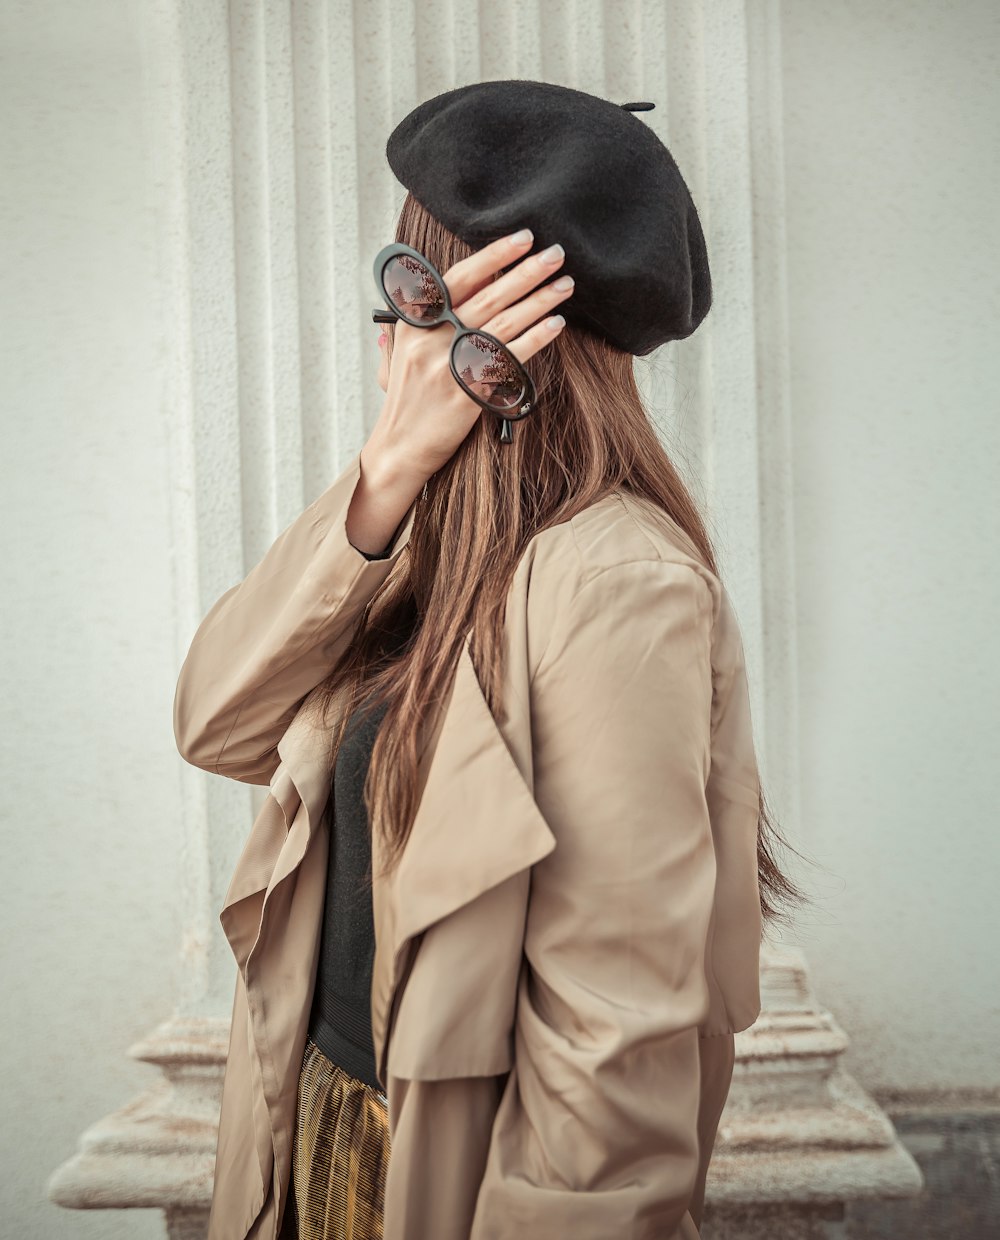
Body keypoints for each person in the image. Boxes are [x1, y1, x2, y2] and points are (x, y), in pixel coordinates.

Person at [175, 80, 806, 1240]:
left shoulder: (614, 581)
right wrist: (384, 471)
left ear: (507, 334)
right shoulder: (422, 541)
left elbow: (612, 1055)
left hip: (434, 1184)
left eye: (416, 288)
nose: (385, 328)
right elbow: (215, 723)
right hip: (307, 1138)